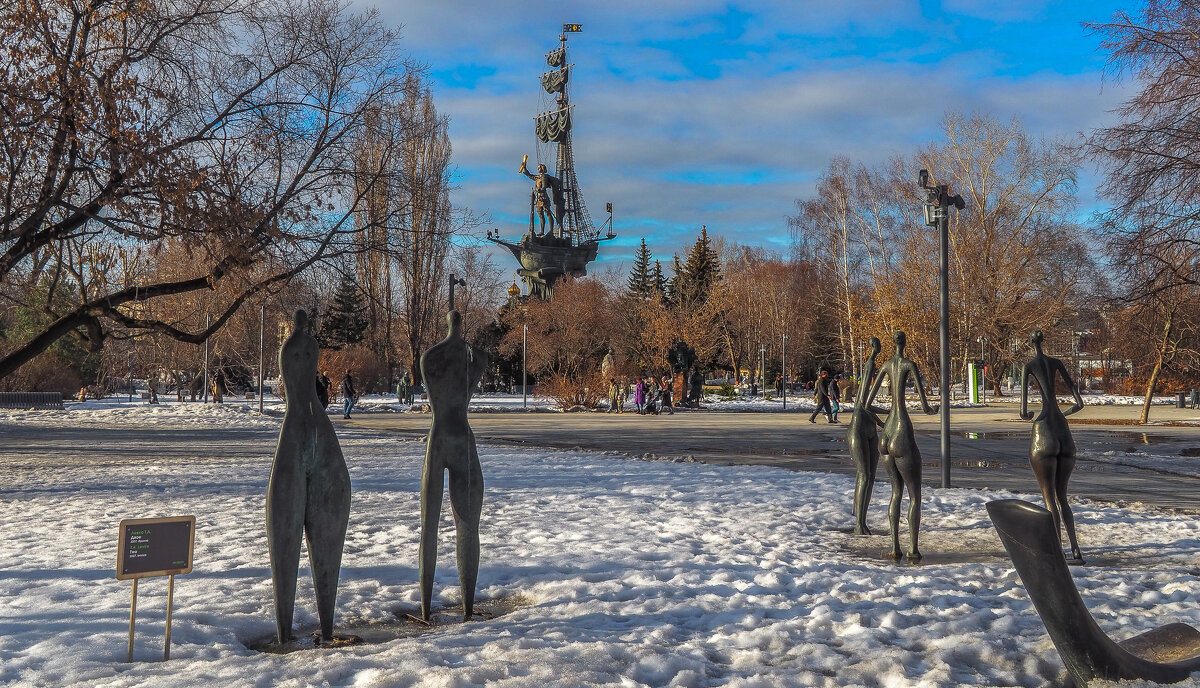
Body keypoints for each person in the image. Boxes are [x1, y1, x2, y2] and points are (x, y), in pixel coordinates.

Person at [418, 308, 489, 622]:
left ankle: (427, 605)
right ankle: (467, 606)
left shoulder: (431, 357)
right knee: (466, 524)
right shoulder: (473, 358)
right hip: (460, 436)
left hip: (441, 438)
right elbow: (480, 367)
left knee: (431, 525)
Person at [1020, 330, 1087, 564]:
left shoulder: (1029, 366)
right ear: (1043, 342)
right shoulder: (1056, 362)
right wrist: (1063, 414)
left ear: (1030, 343)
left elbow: (1024, 412)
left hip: (1044, 432)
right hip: (1063, 431)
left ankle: (1057, 551)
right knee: (1063, 498)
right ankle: (1076, 550)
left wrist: (1032, 416)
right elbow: (1079, 403)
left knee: (1049, 498)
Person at [518, 155, 563, 236]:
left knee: (547, 213)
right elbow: (529, 175)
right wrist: (524, 167)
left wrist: (541, 189)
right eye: (538, 167)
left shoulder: (544, 176)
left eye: (539, 167)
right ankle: (542, 231)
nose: (538, 168)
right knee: (540, 214)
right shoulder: (537, 177)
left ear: (543, 169)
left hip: (543, 197)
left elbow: (544, 186)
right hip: (538, 198)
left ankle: (551, 230)